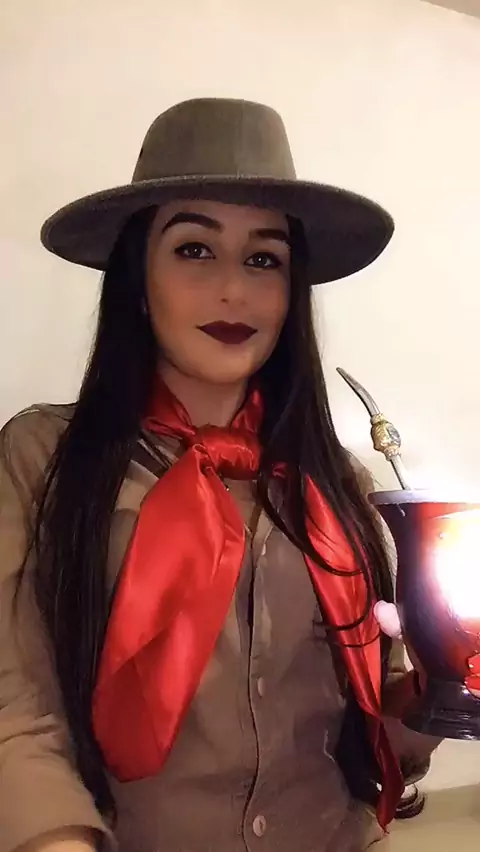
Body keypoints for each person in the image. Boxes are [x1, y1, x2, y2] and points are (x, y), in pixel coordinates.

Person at [0, 98, 439, 852]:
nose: (234, 289)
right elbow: (16, 714)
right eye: (195, 249)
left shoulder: (344, 486)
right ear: (137, 280)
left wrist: (449, 681)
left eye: (264, 259)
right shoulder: (42, 459)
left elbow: (373, 738)